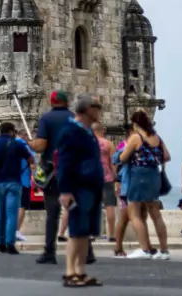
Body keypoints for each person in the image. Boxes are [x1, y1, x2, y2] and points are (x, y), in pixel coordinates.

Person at [57, 94, 106, 287]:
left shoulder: (87, 132)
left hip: (90, 188)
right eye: (97, 107)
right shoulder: (71, 131)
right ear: (87, 109)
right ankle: (70, 272)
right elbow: (65, 163)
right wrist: (66, 190)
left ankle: (81, 271)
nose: (100, 111)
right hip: (78, 188)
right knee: (76, 230)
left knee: (85, 232)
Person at [120, 109, 171, 260]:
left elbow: (123, 157)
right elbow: (167, 156)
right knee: (156, 214)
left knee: (134, 212)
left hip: (139, 175)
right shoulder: (157, 138)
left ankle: (144, 249)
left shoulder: (136, 137)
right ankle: (164, 251)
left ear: (135, 124)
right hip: (154, 176)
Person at [31, 91, 74, 264]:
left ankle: (50, 252)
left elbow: (41, 146)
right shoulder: (75, 119)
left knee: (52, 212)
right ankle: (87, 252)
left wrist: (31, 143)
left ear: (52, 101)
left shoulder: (46, 119)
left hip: (53, 171)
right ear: (66, 102)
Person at [0, 121, 35, 255]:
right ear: (11, 131)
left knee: (0, 212)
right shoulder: (18, 144)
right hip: (14, 182)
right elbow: (31, 160)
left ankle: (1, 241)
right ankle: (10, 243)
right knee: (11, 213)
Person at [93, 123, 117, 240]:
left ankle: (93, 233)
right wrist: (115, 177)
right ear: (102, 130)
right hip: (107, 178)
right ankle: (111, 235)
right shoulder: (109, 144)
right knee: (110, 206)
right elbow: (113, 163)